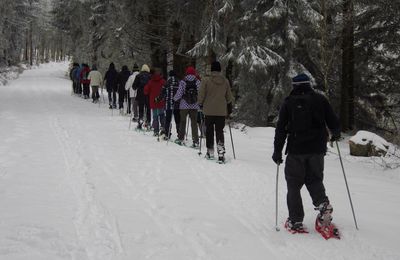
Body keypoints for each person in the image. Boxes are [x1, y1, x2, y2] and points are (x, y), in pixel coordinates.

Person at [272, 73, 341, 233]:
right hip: (317, 149)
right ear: (308, 84)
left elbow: (281, 129)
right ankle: (323, 205)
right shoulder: (321, 100)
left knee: (293, 184)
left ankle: (295, 221)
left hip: (296, 150)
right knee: (315, 179)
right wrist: (336, 132)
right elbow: (333, 121)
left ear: (295, 86)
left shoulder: (288, 102)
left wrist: (277, 151)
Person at [198, 61, 234, 163]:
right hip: (221, 111)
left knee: (209, 130)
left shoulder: (206, 80)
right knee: (219, 131)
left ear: (212, 69)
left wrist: (200, 103)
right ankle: (221, 152)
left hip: (208, 111)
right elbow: (229, 97)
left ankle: (210, 151)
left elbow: (201, 94)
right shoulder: (225, 81)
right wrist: (229, 108)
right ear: (219, 70)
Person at [173, 66, 201, 147]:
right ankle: (195, 141)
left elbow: (179, 93)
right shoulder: (197, 81)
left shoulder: (183, 81)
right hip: (194, 105)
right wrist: (200, 103)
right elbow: (200, 93)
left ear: (187, 73)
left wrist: (174, 99)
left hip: (184, 105)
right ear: (194, 73)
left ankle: (181, 138)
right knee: (194, 123)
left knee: (182, 122)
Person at [158, 70, 180, 140]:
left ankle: (167, 133)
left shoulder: (167, 82)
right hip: (177, 104)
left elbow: (162, 92)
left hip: (168, 104)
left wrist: (158, 99)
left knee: (168, 119)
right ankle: (180, 134)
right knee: (177, 120)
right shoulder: (179, 82)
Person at [144, 68, 166, 136]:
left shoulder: (150, 82)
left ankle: (156, 131)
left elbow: (146, 91)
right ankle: (164, 128)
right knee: (162, 115)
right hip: (161, 101)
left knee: (155, 116)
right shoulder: (163, 81)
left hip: (153, 102)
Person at [132, 64, 151, 129]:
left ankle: (140, 123)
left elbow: (134, 86)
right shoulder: (150, 76)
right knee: (148, 109)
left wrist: (136, 87)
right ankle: (148, 123)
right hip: (148, 95)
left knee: (141, 109)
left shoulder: (138, 76)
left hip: (140, 94)